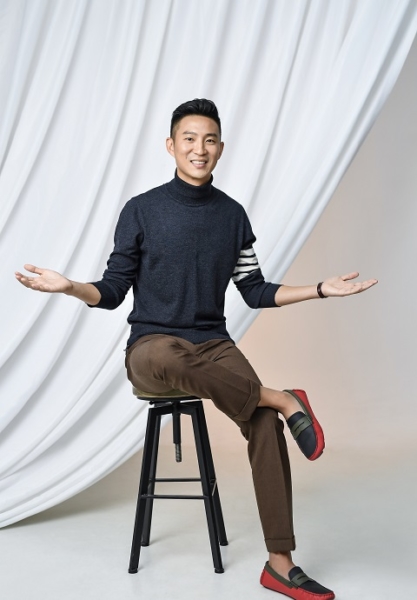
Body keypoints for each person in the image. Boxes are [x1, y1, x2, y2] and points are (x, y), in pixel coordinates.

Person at [15, 98, 377, 600]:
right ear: (171, 146)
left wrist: (319, 289)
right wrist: (71, 286)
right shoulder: (141, 209)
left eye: (209, 140)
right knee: (171, 358)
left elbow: (254, 290)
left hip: (213, 346)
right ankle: (282, 397)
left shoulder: (232, 216)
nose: (199, 149)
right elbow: (113, 291)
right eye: (189, 139)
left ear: (221, 148)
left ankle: (280, 563)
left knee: (262, 422)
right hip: (153, 348)